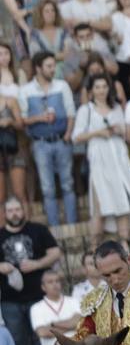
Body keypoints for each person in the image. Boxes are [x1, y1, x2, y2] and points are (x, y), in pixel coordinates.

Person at [73, 72, 130, 240]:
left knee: (123, 202)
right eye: (97, 87)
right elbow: (76, 137)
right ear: (91, 90)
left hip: (119, 159)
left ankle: (125, 249)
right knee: (99, 207)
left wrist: (119, 130)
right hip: (100, 161)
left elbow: (125, 133)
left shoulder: (116, 108)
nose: (101, 90)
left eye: (104, 86)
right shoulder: (86, 110)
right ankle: (93, 250)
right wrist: (99, 132)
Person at [20, 52, 76, 229]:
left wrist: (68, 134)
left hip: (62, 140)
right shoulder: (26, 90)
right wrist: (39, 118)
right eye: (49, 66)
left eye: (54, 66)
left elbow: (71, 113)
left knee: (68, 184)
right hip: (40, 143)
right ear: (38, 68)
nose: (53, 70)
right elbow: (22, 120)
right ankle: (54, 229)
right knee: (47, 188)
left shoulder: (62, 86)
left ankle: (72, 225)